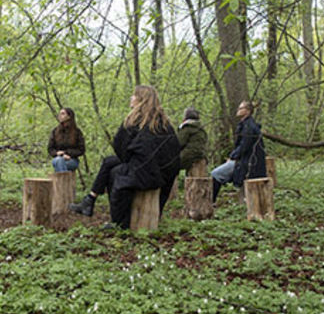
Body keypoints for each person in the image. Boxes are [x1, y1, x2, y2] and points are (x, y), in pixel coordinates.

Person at [69, 85, 181, 229]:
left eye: (134, 95)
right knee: (109, 161)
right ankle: (90, 200)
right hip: (161, 171)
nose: (131, 98)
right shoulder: (163, 122)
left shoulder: (138, 120)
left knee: (114, 174)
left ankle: (121, 223)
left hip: (151, 171)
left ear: (141, 100)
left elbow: (121, 146)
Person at [210, 100, 267, 203]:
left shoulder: (249, 126)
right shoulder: (246, 124)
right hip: (245, 161)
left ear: (247, 111)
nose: (238, 110)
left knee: (216, 174)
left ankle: (210, 202)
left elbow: (244, 146)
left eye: (241, 108)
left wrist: (232, 157)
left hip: (248, 163)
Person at [48, 107, 86, 172]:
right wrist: (59, 154)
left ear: (69, 116)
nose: (60, 116)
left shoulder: (77, 132)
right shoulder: (55, 131)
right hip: (57, 158)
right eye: (60, 114)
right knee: (59, 161)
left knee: (59, 164)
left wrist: (67, 153)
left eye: (63, 114)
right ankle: (64, 181)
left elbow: (81, 149)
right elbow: (50, 148)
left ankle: (60, 181)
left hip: (72, 160)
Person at [177, 107, 208, 171]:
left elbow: (179, 143)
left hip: (190, 154)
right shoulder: (200, 128)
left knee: (171, 164)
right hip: (201, 155)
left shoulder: (187, 127)